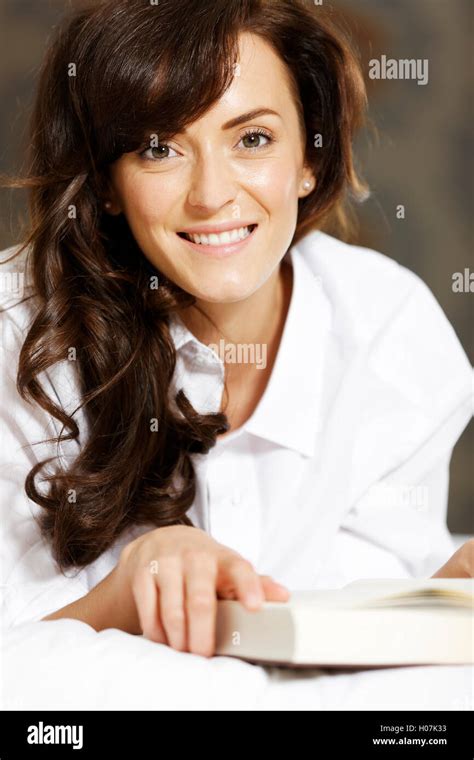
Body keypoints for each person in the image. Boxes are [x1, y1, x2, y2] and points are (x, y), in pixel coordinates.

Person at [1, 0, 472, 660]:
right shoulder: (16, 332)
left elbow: (356, 607)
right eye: (160, 148)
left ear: (309, 159)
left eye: (252, 139)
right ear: (108, 181)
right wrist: (121, 597)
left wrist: (443, 597)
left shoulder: (389, 328)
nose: (211, 195)